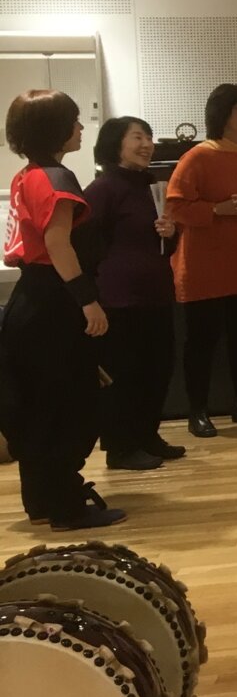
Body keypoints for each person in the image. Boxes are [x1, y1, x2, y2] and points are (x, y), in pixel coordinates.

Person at [0, 89, 125, 529]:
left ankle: (42, 501)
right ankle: (67, 506)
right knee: (69, 403)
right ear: (54, 128)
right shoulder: (56, 178)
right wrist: (87, 300)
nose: (80, 127)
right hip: (55, 300)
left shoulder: (27, 176)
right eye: (73, 120)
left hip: (29, 300)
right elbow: (58, 244)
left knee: (39, 404)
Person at [167, 83, 237, 438]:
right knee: (201, 342)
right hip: (205, 267)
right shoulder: (196, 157)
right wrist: (218, 209)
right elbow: (175, 207)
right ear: (222, 114)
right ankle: (197, 411)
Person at [82, 116, 185, 471]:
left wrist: (171, 232)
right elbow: (86, 243)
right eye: (137, 137)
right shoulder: (103, 189)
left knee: (157, 369)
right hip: (119, 298)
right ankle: (121, 447)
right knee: (124, 374)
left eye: (149, 137)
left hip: (155, 292)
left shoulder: (150, 185)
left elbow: (162, 245)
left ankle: (147, 435)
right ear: (116, 144)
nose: (147, 144)